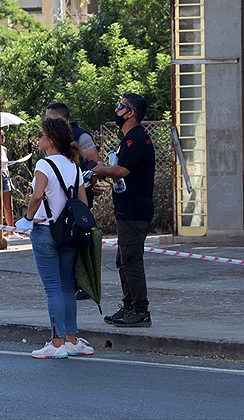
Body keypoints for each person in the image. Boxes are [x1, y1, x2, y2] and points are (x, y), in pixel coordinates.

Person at [16, 118, 95, 359]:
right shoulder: (74, 166)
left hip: (45, 231)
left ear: (51, 139)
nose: (38, 138)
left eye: (41, 134)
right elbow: (82, 203)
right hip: (69, 234)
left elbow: (37, 196)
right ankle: (72, 339)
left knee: (52, 290)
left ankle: (56, 342)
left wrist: (28, 218)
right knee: (66, 288)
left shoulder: (44, 165)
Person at [91, 93, 155, 327]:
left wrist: (101, 169)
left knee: (131, 260)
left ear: (131, 113)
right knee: (124, 260)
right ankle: (128, 306)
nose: (117, 110)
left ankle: (140, 310)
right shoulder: (129, 139)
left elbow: (122, 171)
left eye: (121, 106)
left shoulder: (135, 138)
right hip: (127, 208)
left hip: (134, 211)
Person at [45, 102, 103, 300]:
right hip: (58, 199)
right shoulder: (52, 142)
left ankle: (84, 284)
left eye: (49, 119)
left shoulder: (81, 136)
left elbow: (95, 161)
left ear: (61, 119)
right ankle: (69, 282)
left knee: (77, 238)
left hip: (78, 199)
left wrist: (90, 182)